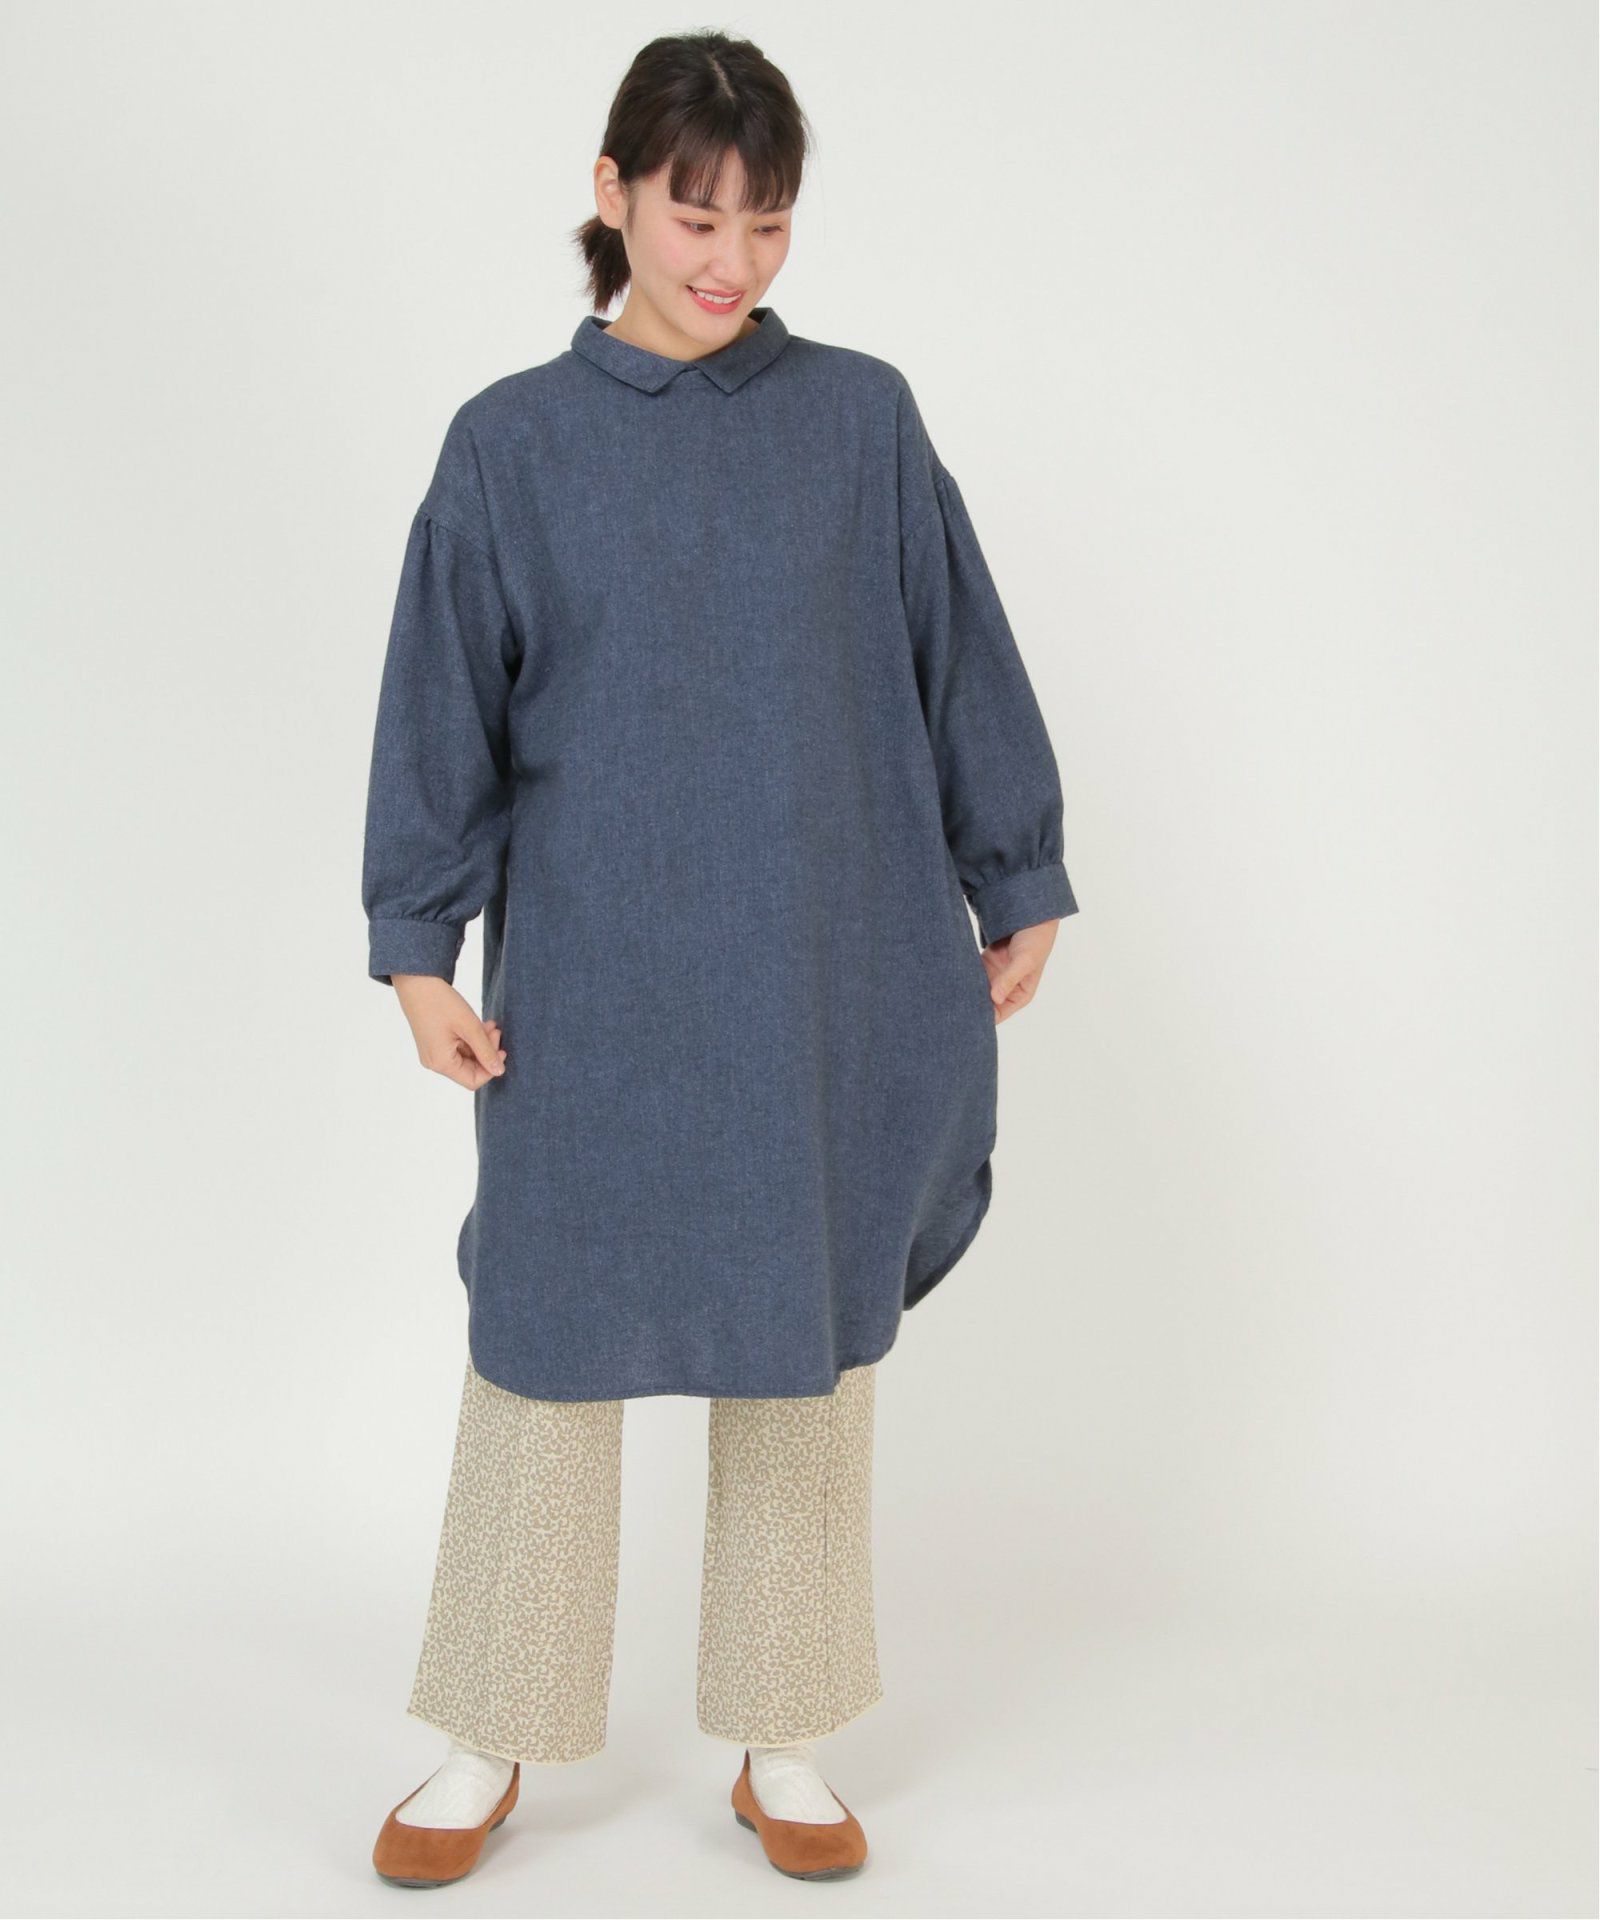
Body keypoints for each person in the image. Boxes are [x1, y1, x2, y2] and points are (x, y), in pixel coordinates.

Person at [361, 28, 1079, 1890]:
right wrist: (418, 945)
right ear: (611, 197)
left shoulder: (860, 422)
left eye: (768, 222)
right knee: (544, 1335)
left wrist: (1015, 868)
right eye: (698, 217)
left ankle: (785, 1730)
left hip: (824, 964)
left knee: (798, 1337)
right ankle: (490, 1730)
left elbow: (956, 652)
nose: (733, 261)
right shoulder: (511, 447)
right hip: (596, 980)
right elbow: (440, 707)